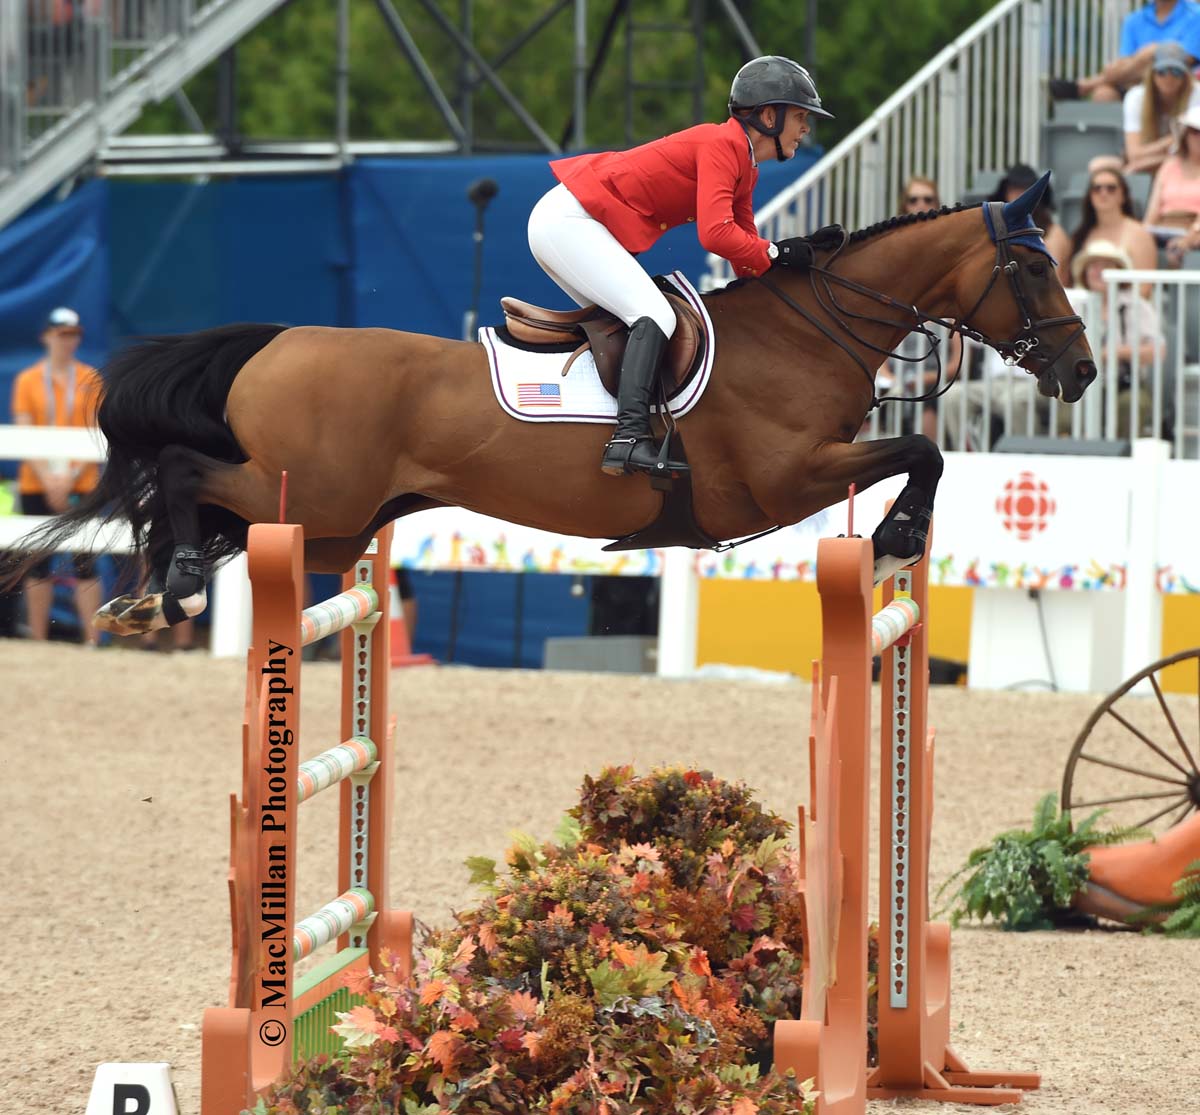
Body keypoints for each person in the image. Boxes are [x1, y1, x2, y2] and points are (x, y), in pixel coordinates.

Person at [527, 55, 841, 476]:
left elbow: (745, 259)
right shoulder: (722, 145)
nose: (805, 128)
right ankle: (628, 438)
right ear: (769, 115)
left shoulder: (745, 168)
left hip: (572, 223)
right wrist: (777, 252)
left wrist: (801, 256)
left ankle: (603, 429)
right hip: (567, 222)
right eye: (801, 116)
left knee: (628, 323)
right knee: (654, 313)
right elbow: (714, 235)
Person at [9, 306, 103, 645]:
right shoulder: (28, 380)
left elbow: (95, 432)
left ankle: (93, 642)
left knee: (86, 563)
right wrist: (50, 477)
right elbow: (23, 432)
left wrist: (66, 477)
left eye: (73, 335)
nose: (68, 341)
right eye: (62, 334)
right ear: (46, 336)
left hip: (81, 481)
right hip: (38, 481)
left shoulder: (91, 379)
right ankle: (38, 639)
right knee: (38, 563)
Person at [1070, 240, 1166, 437]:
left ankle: (1123, 454)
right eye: (1094, 265)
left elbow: (1158, 350)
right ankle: (1069, 452)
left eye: (1106, 266)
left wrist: (1117, 352)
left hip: (1126, 383)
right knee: (1068, 399)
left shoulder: (1137, 305)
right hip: (1083, 383)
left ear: (1119, 272)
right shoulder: (1074, 305)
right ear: (1085, 272)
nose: (1099, 271)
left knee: (1133, 404)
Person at [1051, 1, 1200, 102]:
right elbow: (1126, 64)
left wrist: (1152, 53)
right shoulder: (1133, 20)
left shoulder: (1196, 14)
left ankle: (1085, 85)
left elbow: (1187, 58)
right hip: (1136, 81)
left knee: (1152, 51)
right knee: (1102, 95)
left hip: (1178, 80)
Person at [1062, 165, 1157, 288]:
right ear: (1090, 196)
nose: (1103, 193)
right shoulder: (1081, 235)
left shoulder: (1140, 234)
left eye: (1111, 188)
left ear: (1123, 195)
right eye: (1096, 188)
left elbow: (1144, 288)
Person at [1124, 41, 1200, 173]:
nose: (1169, 77)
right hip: (1152, 161)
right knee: (1100, 165)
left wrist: (1145, 162)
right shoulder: (1136, 97)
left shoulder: (1196, 94)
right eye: (1162, 71)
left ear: (1185, 75)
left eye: (1176, 71)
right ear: (1152, 74)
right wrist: (1173, 138)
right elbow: (1134, 154)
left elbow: (1193, 154)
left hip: (1185, 164)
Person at [1143, 102, 1200, 262]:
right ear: (1185, 135)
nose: (1199, 138)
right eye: (1195, 131)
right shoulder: (1169, 166)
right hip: (1161, 231)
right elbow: (1152, 213)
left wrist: (1188, 239)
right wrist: (1144, 235)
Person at [990, 164, 1072, 263]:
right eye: (1014, 189)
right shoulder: (995, 232)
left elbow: (1053, 276)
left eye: (1025, 190)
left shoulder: (1053, 235)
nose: (1019, 196)